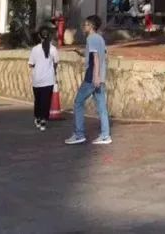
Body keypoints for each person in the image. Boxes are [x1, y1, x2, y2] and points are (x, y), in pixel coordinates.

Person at [66, 15, 111, 145]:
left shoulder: (91, 38)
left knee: (78, 102)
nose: (84, 26)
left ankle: (79, 134)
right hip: (100, 77)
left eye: (86, 24)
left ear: (91, 26)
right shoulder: (100, 39)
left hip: (92, 77)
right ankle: (105, 135)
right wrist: (81, 52)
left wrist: (95, 76)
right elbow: (101, 54)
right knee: (102, 106)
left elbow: (96, 58)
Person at [27, 23, 59, 131]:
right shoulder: (53, 49)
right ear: (49, 36)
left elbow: (30, 64)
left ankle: (37, 118)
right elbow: (55, 63)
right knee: (46, 101)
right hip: (49, 79)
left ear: (39, 36)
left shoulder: (35, 49)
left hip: (37, 79)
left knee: (38, 100)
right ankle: (43, 120)